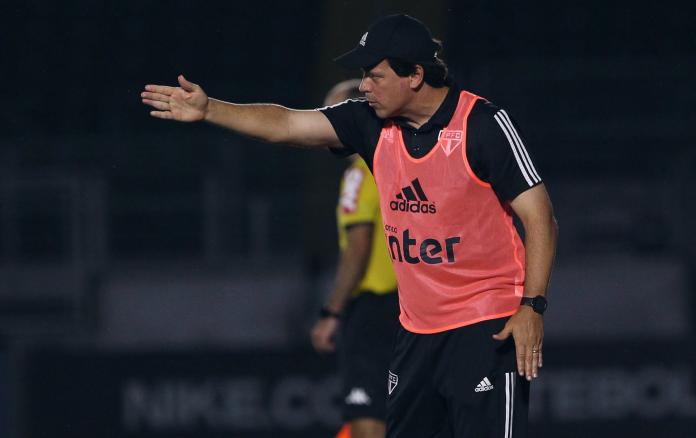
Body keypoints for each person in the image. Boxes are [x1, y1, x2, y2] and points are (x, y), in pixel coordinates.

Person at [141, 14, 558, 438]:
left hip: (485, 325)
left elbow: (540, 215)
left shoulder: (482, 123)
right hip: (415, 332)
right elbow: (287, 124)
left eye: (375, 75)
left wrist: (532, 306)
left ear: (415, 75)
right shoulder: (369, 122)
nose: (364, 86)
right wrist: (210, 109)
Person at [310, 80, 399, 438]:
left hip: (373, 309)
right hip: (410, 307)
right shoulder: (396, 164)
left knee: (367, 417)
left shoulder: (358, 176)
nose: (321, 124)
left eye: (330, 114)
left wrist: (332, 312)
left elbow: (358, 248)